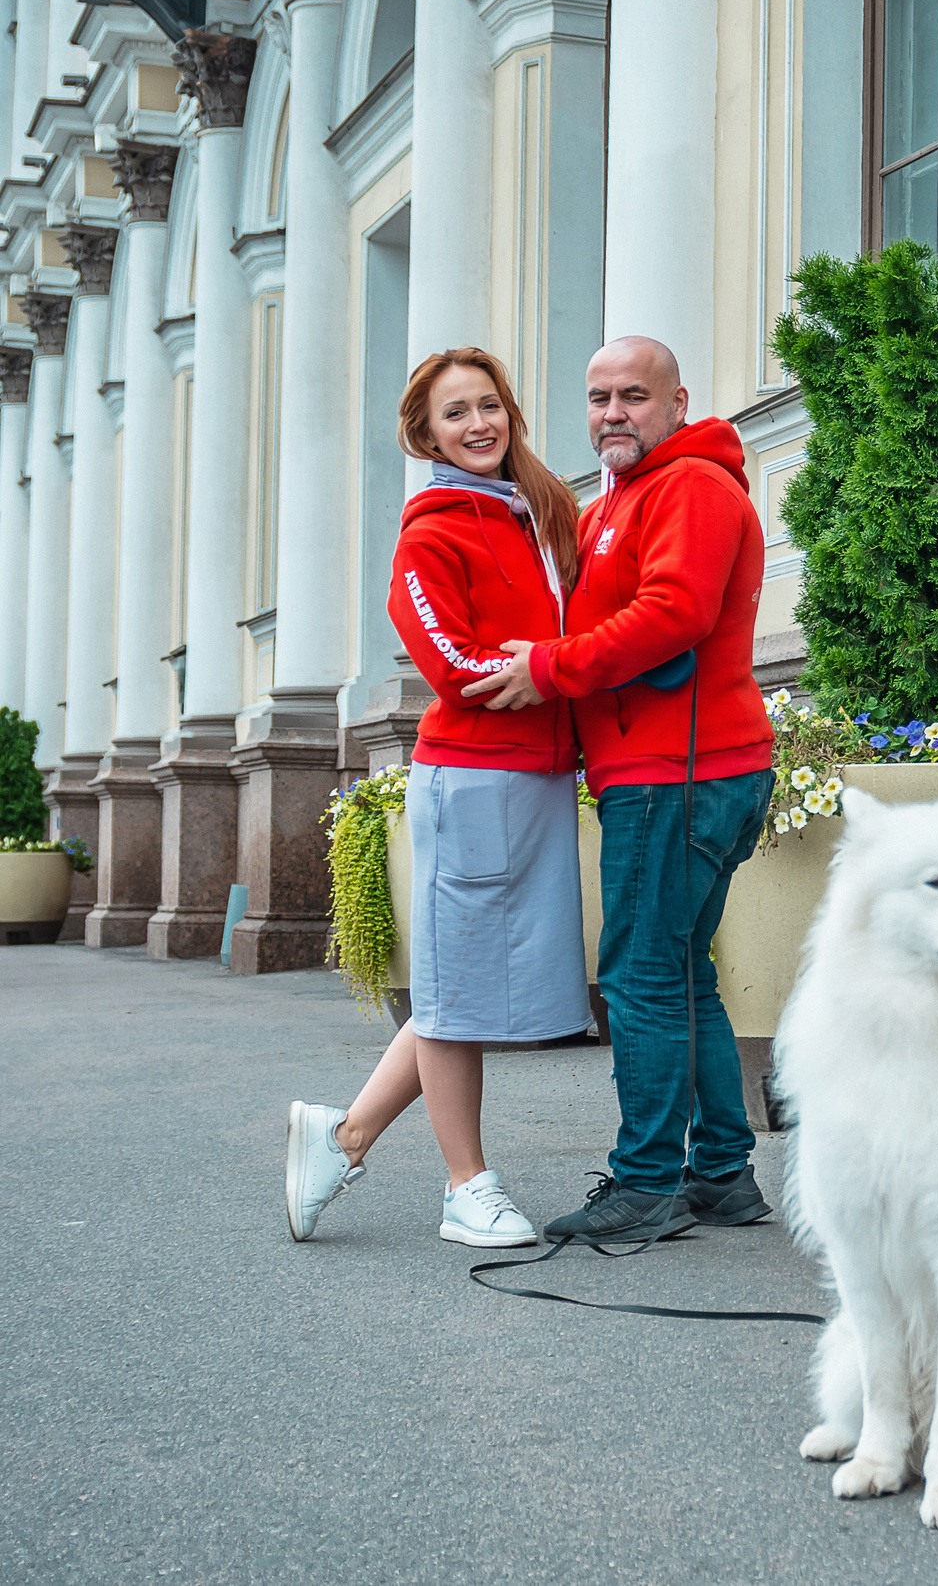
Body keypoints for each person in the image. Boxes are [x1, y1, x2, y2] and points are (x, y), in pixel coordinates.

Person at [462, 336, 777, 1244]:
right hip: (681, 767)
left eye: (633, 395)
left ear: (678, 402)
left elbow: (675, 613)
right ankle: (720, 1172)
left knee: (640, 976)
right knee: (682, 972)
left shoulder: (689, 486)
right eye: (598, 396)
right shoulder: (627, 495)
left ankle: (647, 1183)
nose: (612, 413)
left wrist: (552, 668)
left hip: (676, 773)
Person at [284, 349, 589, 1248]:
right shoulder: (432, 530)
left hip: (536, 777)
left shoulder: (538, 514)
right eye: (456, 414)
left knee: (467, 990)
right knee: (458, 994)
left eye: (489, 405)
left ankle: (342, 1139)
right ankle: (466, 1186)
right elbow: (450, 666)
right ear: (426, 434)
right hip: (473, 779)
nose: (479, 424)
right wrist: (544, 671)